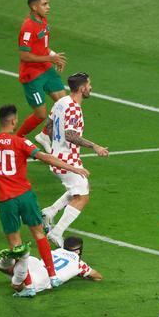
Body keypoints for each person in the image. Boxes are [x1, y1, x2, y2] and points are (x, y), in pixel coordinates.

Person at [0, 104, 90, 289]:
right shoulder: (20, 142)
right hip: (25, 197)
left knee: (16, 245)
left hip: (6, 200)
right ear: (13, 121)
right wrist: (74, 168)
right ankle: (53, 276)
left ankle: (27, 284)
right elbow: (46, 157)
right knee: (38, 234)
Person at [40, 72, 109, 247]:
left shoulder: (60, 102)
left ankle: (50, 212)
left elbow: (48, 126)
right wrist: (94, 146)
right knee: (82, 197)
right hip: (66, 160)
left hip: (59, 156)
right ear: (81, 88)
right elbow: (70, 135)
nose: (90, 88)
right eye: (89, 85)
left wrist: (54, 146)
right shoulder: (74, 109)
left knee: (81, 188)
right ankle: (56, 233)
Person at [15, 0, 68, 152]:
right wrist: (49, 59)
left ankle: (44, 135)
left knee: (64, 105)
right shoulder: (27, 28)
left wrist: (53, 56)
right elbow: (24, 55)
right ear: (34, 7)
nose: (48, 7)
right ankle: (17, 139)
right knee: (40, 115)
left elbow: (42, 47)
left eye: (48, 4)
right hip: (32, 76)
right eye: (44, 4)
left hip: (46, 69)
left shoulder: (43, 20)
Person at [0, 236, 102, 297]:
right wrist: (82, 274)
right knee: (16, 285)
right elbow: (98, 277)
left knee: (3, 268)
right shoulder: (79, 263)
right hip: (45, 277)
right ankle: (23, 257)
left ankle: (9, 259)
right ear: (79, 250)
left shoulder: (57, 250)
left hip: (37, 264)